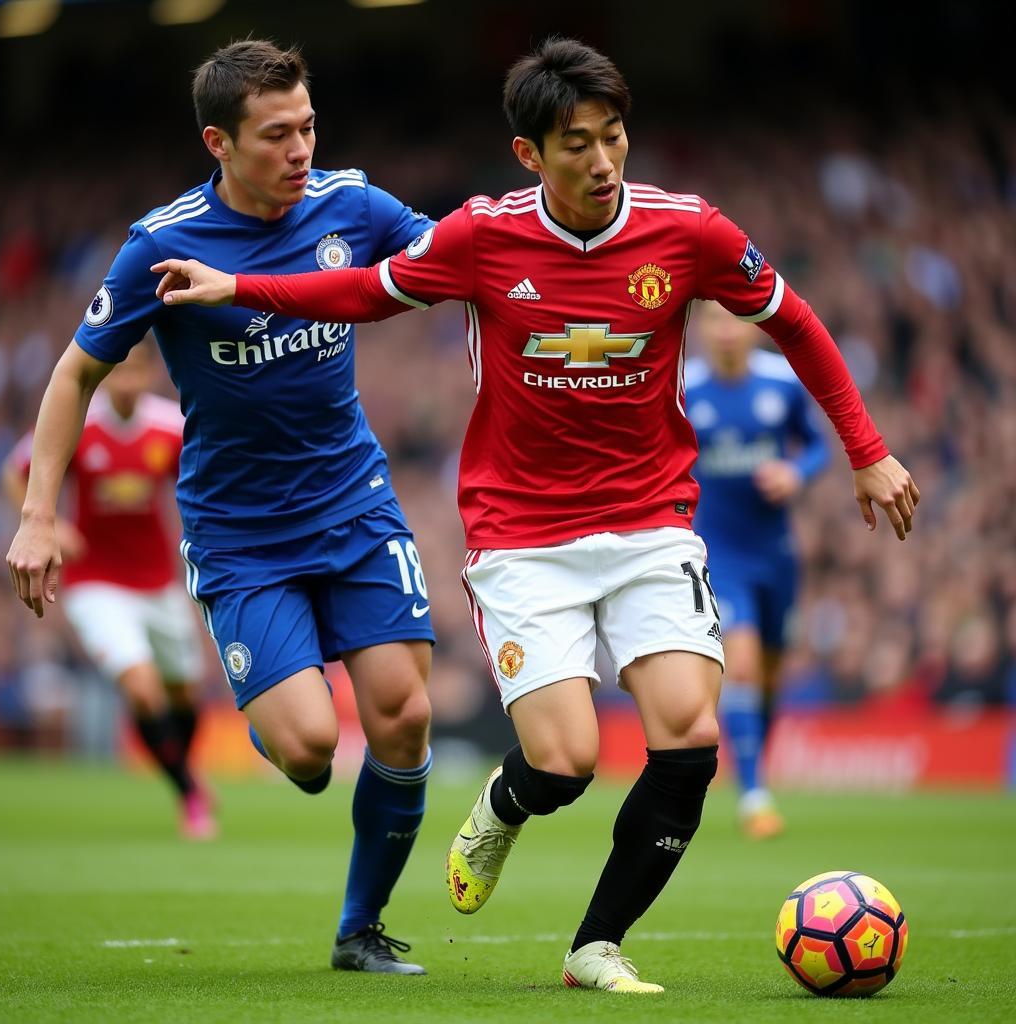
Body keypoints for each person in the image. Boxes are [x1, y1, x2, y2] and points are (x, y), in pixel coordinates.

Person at [149, 37, 920, 993]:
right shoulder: (480, 236)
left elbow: (793, 321)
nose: (602, 163)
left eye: (614, 138)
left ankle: (597, 945)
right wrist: (239, 287)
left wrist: (867, 448)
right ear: (530, 155)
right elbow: (362, 291)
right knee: (565, 764)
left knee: (689, 735)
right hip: (524, 537)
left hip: (650, 523)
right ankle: (505, 807)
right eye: (576, 146)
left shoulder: (693, 232)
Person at [5, 40, 436, 975]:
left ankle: (359, 929)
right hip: (242, 535)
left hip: (353, 503)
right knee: (314, 753)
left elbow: (447, 257)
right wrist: (39, 513)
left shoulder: (352, 205)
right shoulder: (162, 243)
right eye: (277, 134)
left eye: (309, 126)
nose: (301, 150)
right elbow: (77, 372)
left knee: (402, 717)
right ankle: (269, 700)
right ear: (219, 142)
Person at [1, 343, 215, 839]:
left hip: (158, 581)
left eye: (136, 371)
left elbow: (200, 482)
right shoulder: (80, 423)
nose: (126, 381)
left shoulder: (170, 426)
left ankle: (184, 780)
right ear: (104, 376)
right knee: (141, 687)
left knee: (183, 691)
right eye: (117, 372)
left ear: (148, 375)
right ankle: (191, 795)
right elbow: (16, 473)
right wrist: (46, 524)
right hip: (95, 583)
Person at [685, 302, 830, 839]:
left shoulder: (782, 384)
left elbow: (817, 447)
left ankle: (753, 767)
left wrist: (795, 473)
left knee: (769, 676)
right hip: (717, 551)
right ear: (700, 329)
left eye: (735, 321)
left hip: (776, 554)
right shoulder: (684, 390)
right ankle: (753, 795)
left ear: (753, 328)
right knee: (740, 663)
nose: (726, 333)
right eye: (714, 322)